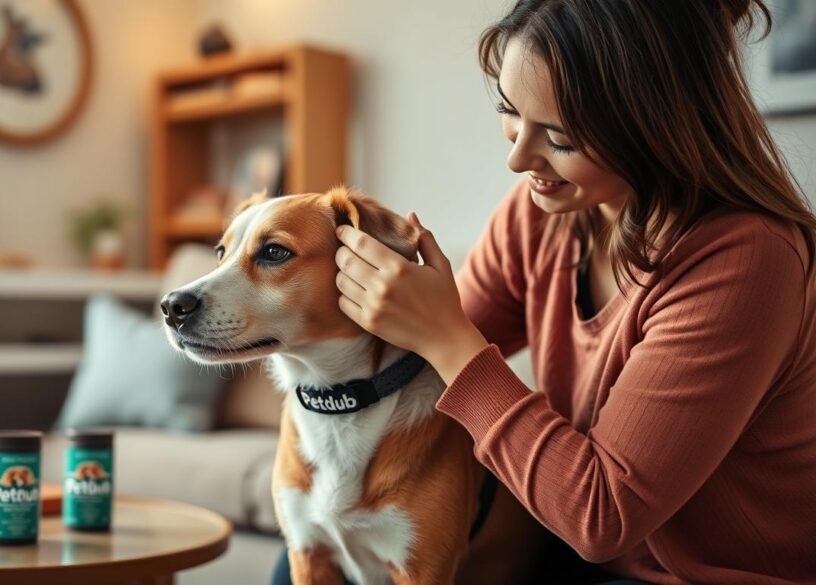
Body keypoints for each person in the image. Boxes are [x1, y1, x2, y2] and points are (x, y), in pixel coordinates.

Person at [314, 0, 816, 583]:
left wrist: (444, 336)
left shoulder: (745, 261)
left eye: (559, 137)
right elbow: (407, 370)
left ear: (656, 127)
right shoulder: (541, 215)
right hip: (560, 538)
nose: (517, 158)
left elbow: (600, 517)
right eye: (509, 111)